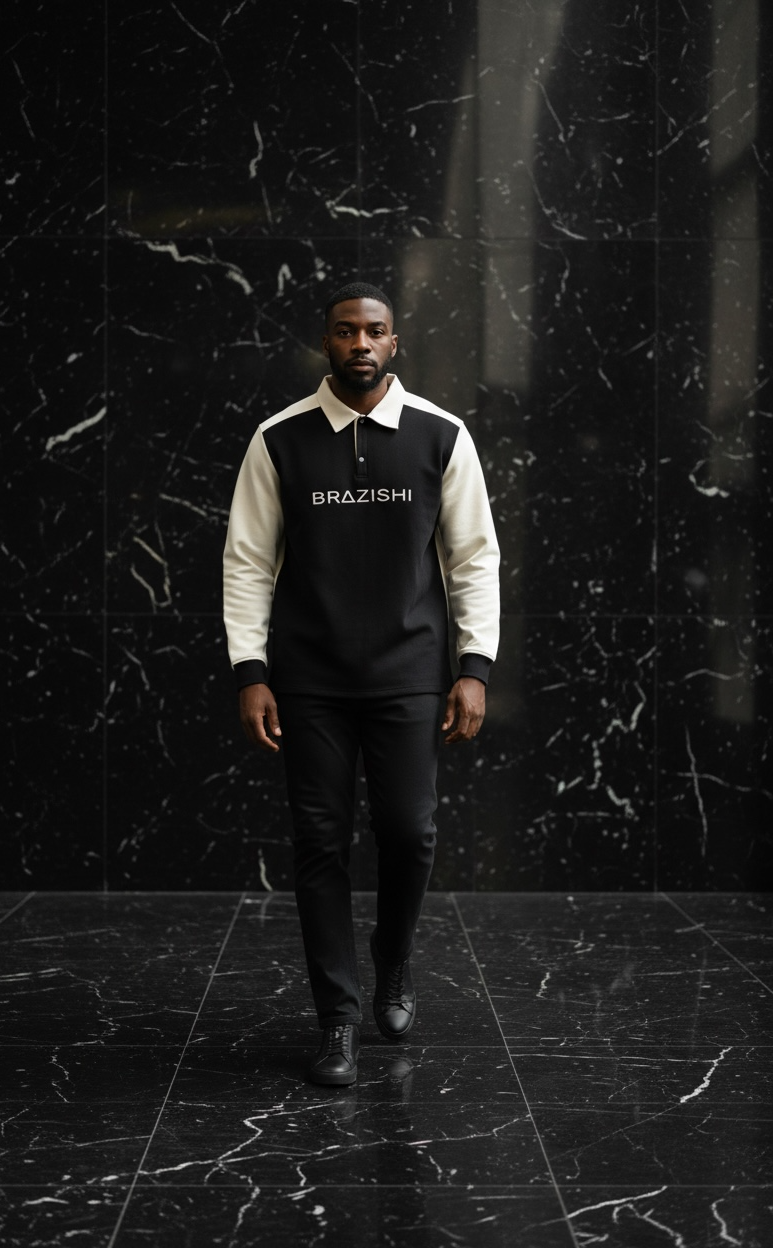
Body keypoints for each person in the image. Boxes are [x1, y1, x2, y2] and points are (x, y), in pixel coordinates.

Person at [223, 281, 500, 1086]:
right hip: (309, 680)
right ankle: (337, 1020)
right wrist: (251, 672)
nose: (361, 345)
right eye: (346, 332)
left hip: (410, 675)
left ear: (395, 342)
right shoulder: (280, 440)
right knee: (318, 844)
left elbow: (473, 559)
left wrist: (473, 669)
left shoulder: (441, 437)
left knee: (409, 835)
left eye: (375, 331)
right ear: (327, 342)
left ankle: (393, 960)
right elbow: (247, 564)